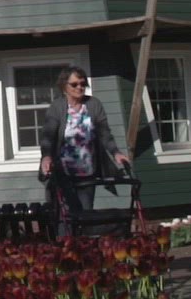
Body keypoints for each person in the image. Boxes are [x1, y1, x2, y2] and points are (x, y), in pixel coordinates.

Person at [37, 65, 132, 238]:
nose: (79, 87)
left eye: (82, 83)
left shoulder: (93, 105)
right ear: (64, 86)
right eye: (74, 84)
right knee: (65, 217)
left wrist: (116, 152)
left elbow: (104, 133)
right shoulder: (57, 107)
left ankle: (82, 248)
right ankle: (64, 249)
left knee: (84, 216)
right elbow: (48, 136)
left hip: (87, 171)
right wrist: (47, 156)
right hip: (63, 172)